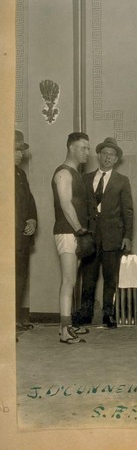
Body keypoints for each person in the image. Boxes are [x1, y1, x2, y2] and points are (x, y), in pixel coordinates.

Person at [73, 137, 133, 329]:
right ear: (99, 156)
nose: (108, 158)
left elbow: (128, 211)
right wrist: (80, 233)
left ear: (116, 159)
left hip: (113, 237)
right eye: (105, 154)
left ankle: (109, 314)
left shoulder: (122, 181)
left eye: (112, 155)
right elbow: (79, 207)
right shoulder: (85, 178)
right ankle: (85, 314)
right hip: (90, 237)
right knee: (88, 278)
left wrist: (127, 236)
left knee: (110, 278)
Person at [52, 132, 92, 344]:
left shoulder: (75, 173)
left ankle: (65, 327)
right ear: (71, 149)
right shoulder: (63, 173)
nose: (87, 152)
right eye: (83, 148)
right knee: (68, 281)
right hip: (67, 232)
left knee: (72, 280)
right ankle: (65, 330)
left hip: (74, 232)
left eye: (88, 148)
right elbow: (66, 205)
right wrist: (79, 230)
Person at [15, 130, 37, 336]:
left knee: (19, 279)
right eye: (16, 150)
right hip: (8, 239)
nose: (19, 154)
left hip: (21, 239)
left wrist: (32, 219)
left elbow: (29, 201)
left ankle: (14, 320)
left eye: (21, 150)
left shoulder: (20, 174)